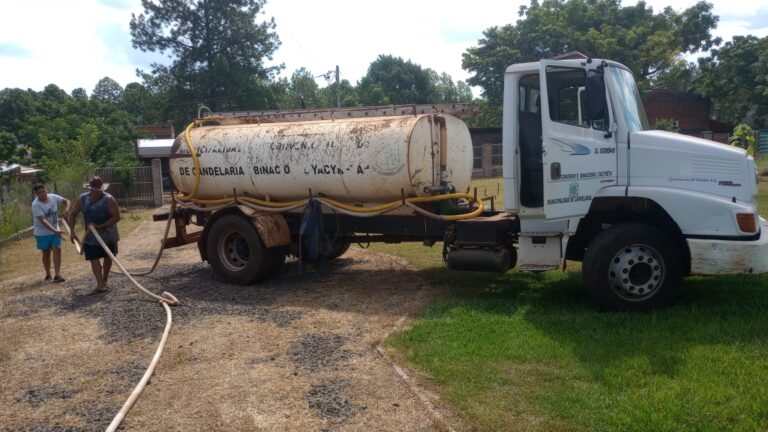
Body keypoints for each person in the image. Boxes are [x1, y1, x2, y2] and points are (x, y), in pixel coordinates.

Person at [68, 176, 120, 293]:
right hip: (90, 236)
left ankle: (105, 279)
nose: (95, 193)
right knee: (93, 258)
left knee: (108, 257)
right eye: (93, 190)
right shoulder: (82, 199)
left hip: (108, 235)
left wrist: (100, 226)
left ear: (102, 190)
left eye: (98, 191)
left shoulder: (109, 199)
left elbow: (116, 217)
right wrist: (72, 231)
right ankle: (100, 284)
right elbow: (73, 214)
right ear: (90, 189)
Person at [31, 183, 70, 282]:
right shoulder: (36, 205)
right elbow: (43, 221)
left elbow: (67, 201)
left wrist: (66, 210)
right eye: (39, 193)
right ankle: (48, 274)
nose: (43, 194)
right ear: (36, 194)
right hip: (42, 233)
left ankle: (57, 275)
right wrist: (55, 231)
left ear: (46, 190)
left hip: (54, 230)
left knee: (57, 249)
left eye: (44, 191)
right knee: (46, 253)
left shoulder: (53, 197)